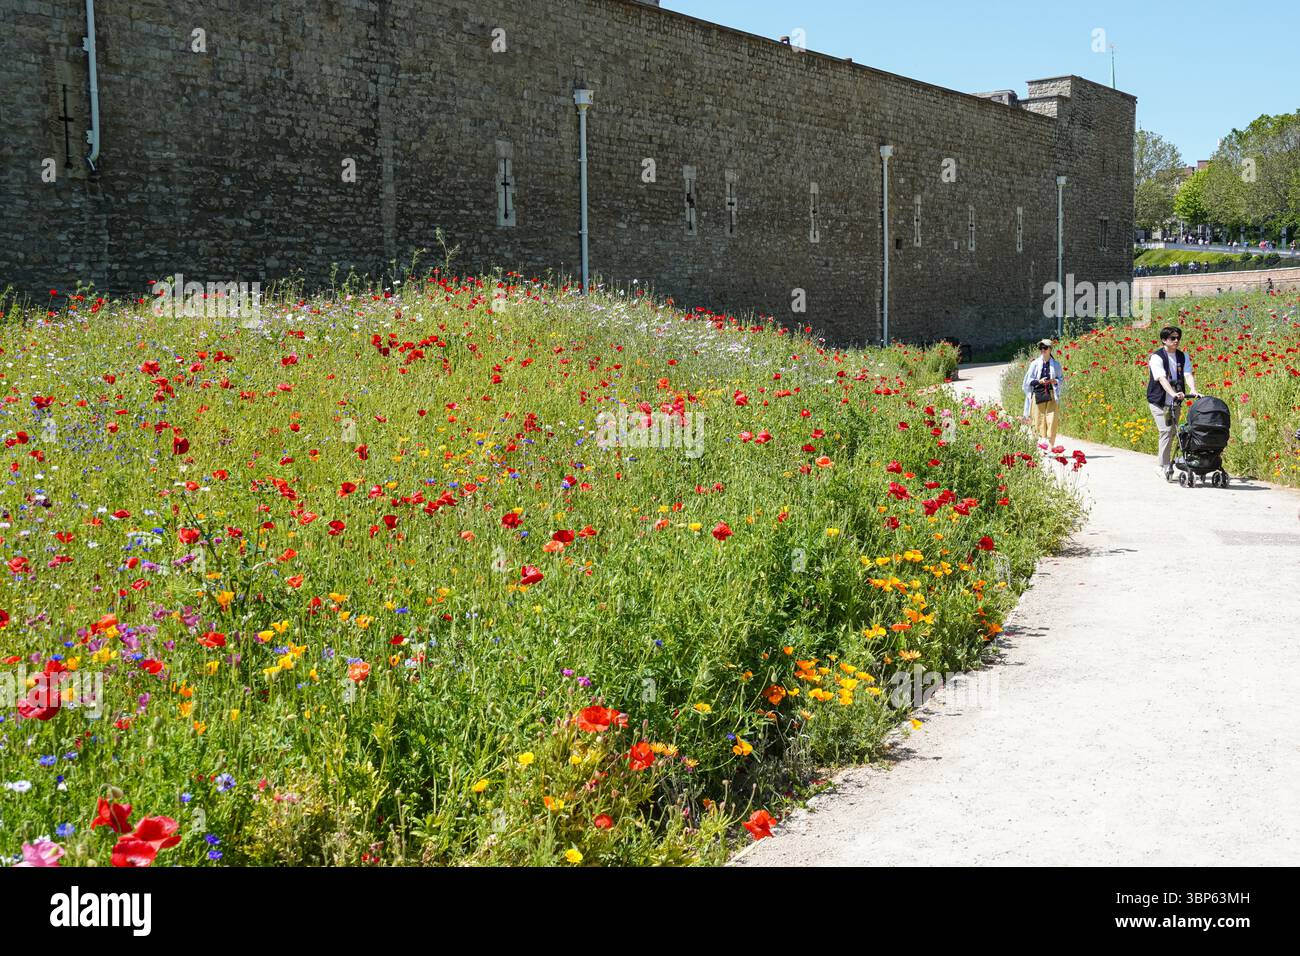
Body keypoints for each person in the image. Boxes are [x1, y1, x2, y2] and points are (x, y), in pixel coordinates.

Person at [1147, 326, 1199, 480]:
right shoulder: (1156, 357)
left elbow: (1187, 374)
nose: (1176, 341)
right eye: (1172, 338)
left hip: (1175, 402)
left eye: (1178, 338)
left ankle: (1170, 464)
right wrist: (1173, 394)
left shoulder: (1182, 356)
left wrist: (1193, 389)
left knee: (1173, 432)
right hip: (1159, 401)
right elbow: (1161, 378)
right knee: (1165, 431)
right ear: (1164, 340)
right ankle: (1161, 466)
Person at [1022, 338, 1064, 445]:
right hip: (1038, 394)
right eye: (1041, 348)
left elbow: (1061, 379)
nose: (1043, 350)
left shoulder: (1056, 365)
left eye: (1045, 347)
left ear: (1050, 349)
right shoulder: (1035, 364)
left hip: (1051, 394)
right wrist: (1039, 381)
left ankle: (1050, 445)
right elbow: (1028, 381)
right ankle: (1038, 446)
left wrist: (1055, 381)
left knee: (1052, 420)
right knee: (1038, 420)